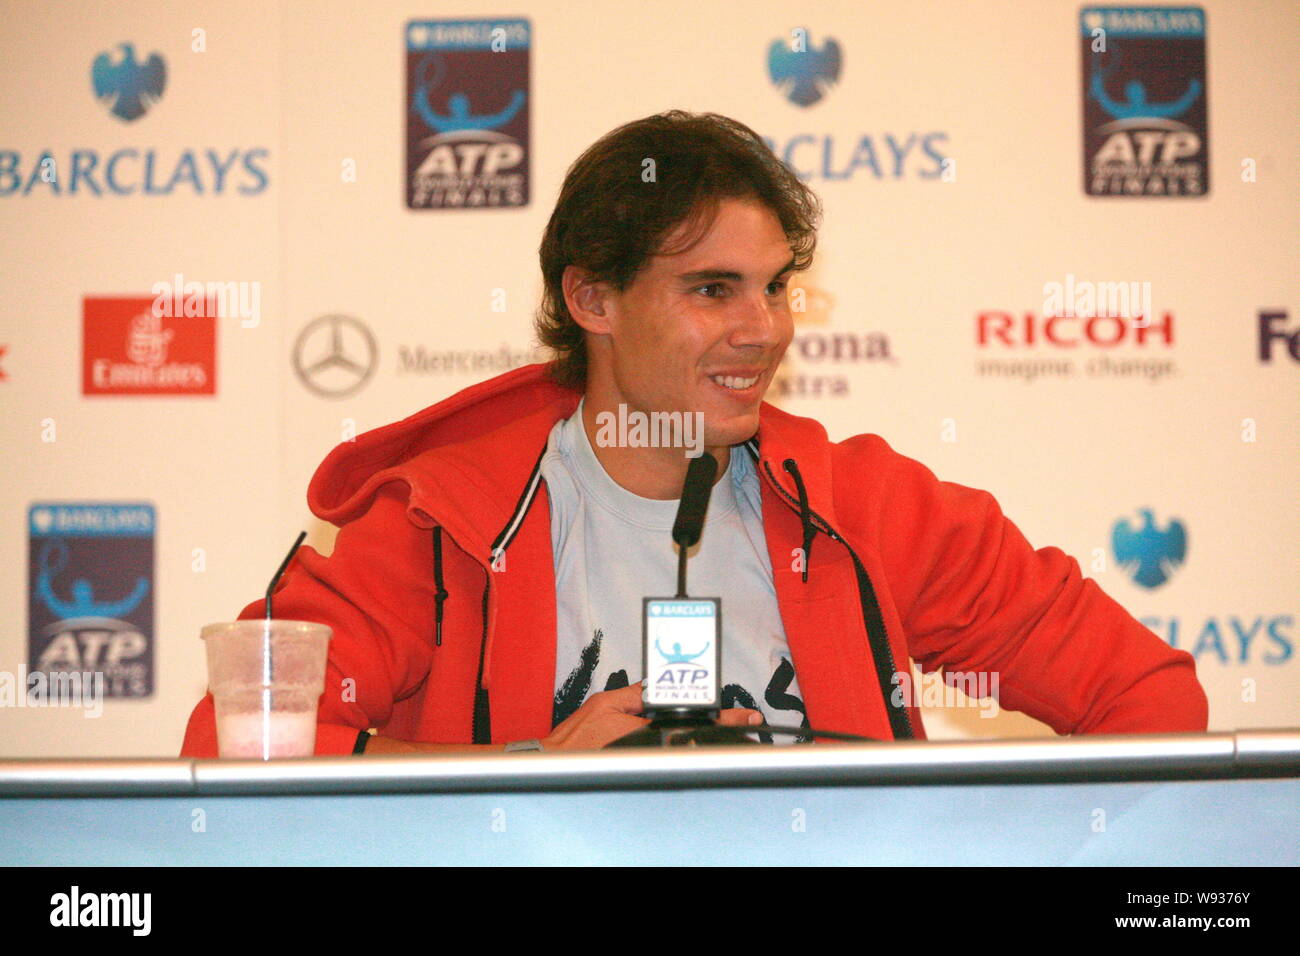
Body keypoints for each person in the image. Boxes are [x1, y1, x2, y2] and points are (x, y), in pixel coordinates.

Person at [181, 111, 1207, 757]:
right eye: (712, 289)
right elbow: (239, 739)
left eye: (773, 287)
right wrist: (529, 772)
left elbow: (1152, 700)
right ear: (592, 297)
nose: (761, 327)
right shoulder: (438, 521)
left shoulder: (867, 507)